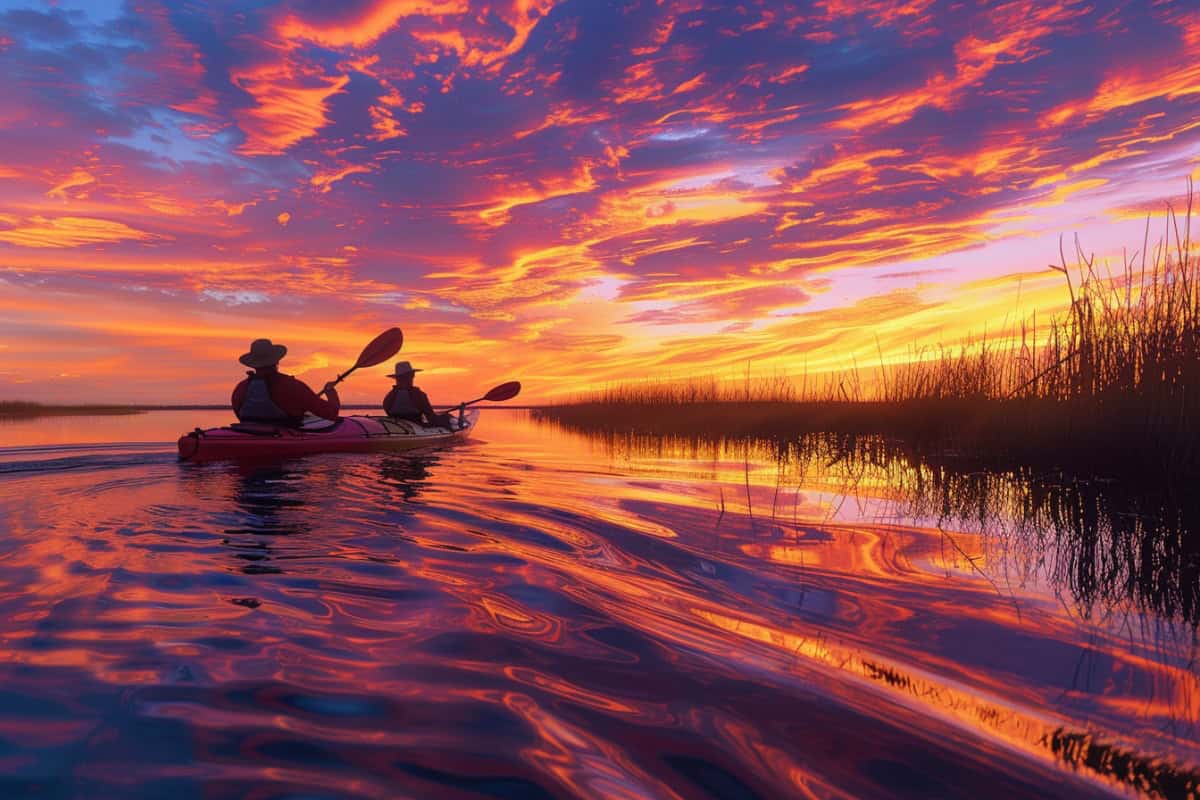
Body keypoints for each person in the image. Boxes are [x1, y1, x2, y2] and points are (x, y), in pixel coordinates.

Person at [231, 338, 341, 426]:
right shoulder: (293, 386)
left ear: (252, 364)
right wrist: (330, 393)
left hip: (249, 434)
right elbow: (330, 413)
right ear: (277, 360)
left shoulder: (241, 388)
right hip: (285, 435)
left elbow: (240, 416)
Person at [382, 361, 452, 428]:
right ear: (410, 376)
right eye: (412, 375)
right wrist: (446, 419)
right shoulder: (418, 394)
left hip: (395, 427)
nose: (413, 376)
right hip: (415, 427)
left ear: (397, 379)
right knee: (447, 418)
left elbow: (387, 411)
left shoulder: (389, 396)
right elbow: (431, 417)